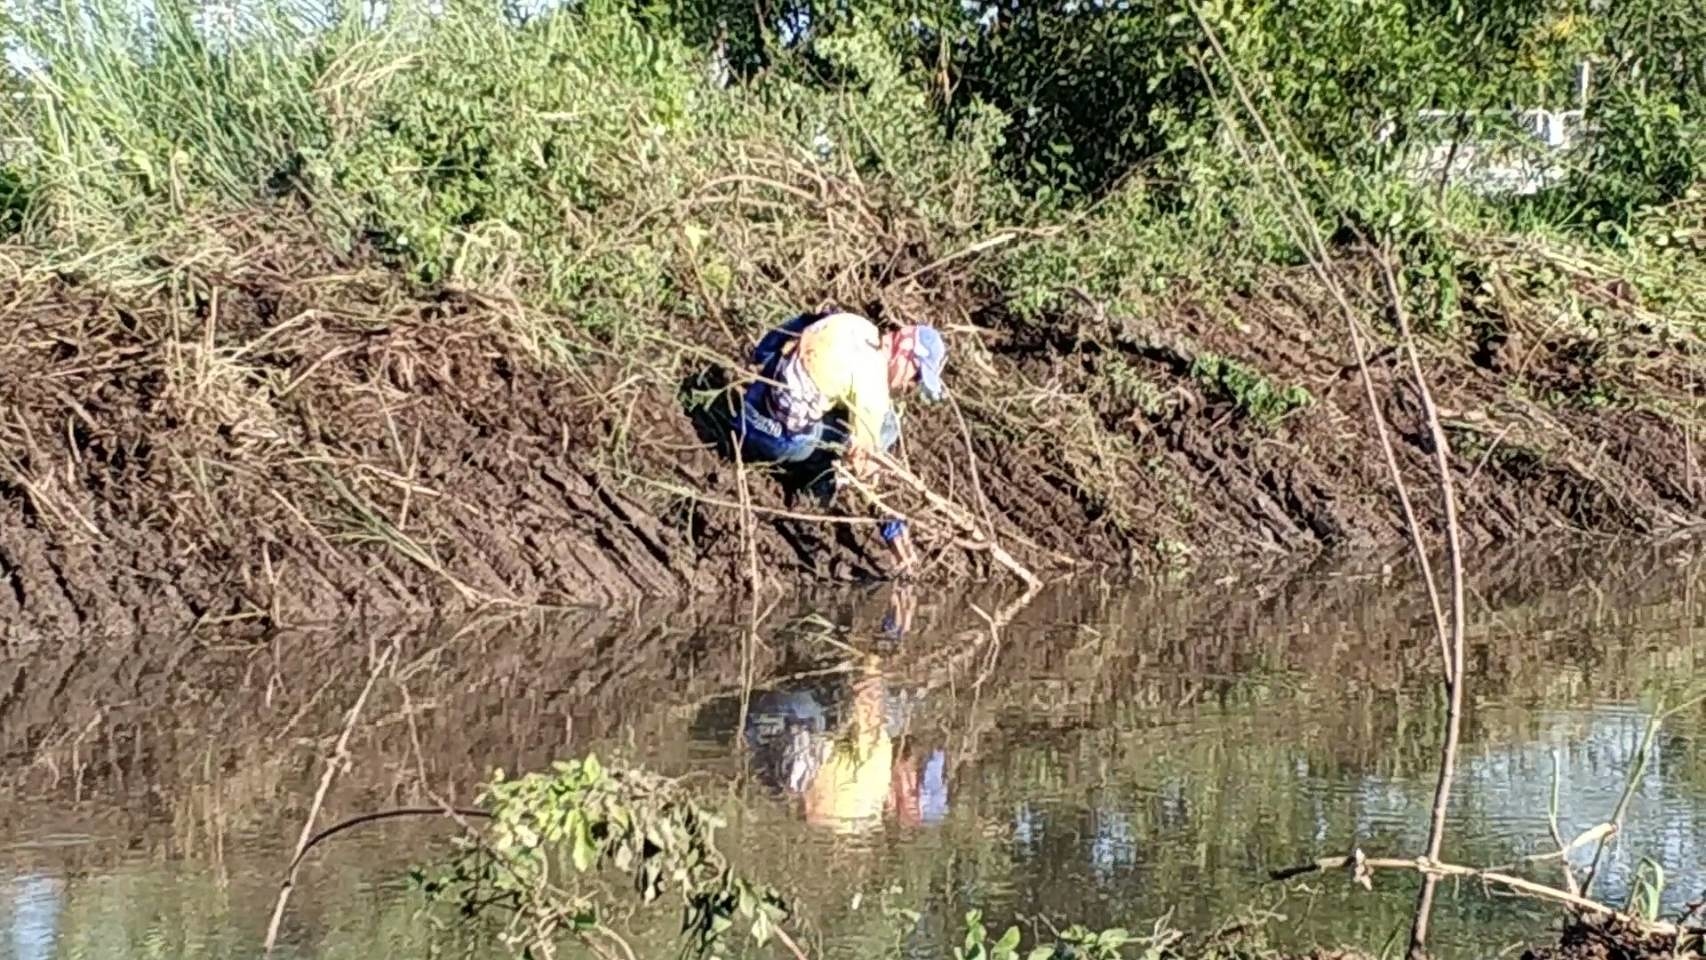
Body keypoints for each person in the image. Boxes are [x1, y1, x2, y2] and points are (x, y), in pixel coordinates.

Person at [737, 309, 947, 571]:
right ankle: (804, 480)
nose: (910, 386)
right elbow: (865, 469)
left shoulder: (858, 325)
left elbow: (800, 322)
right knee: (811, 446)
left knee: (887, 422)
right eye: (915, 376)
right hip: (766, 431)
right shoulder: (873, 389)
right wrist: (892, 528)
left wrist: (759, 356)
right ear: (904, 351)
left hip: (762, 388)